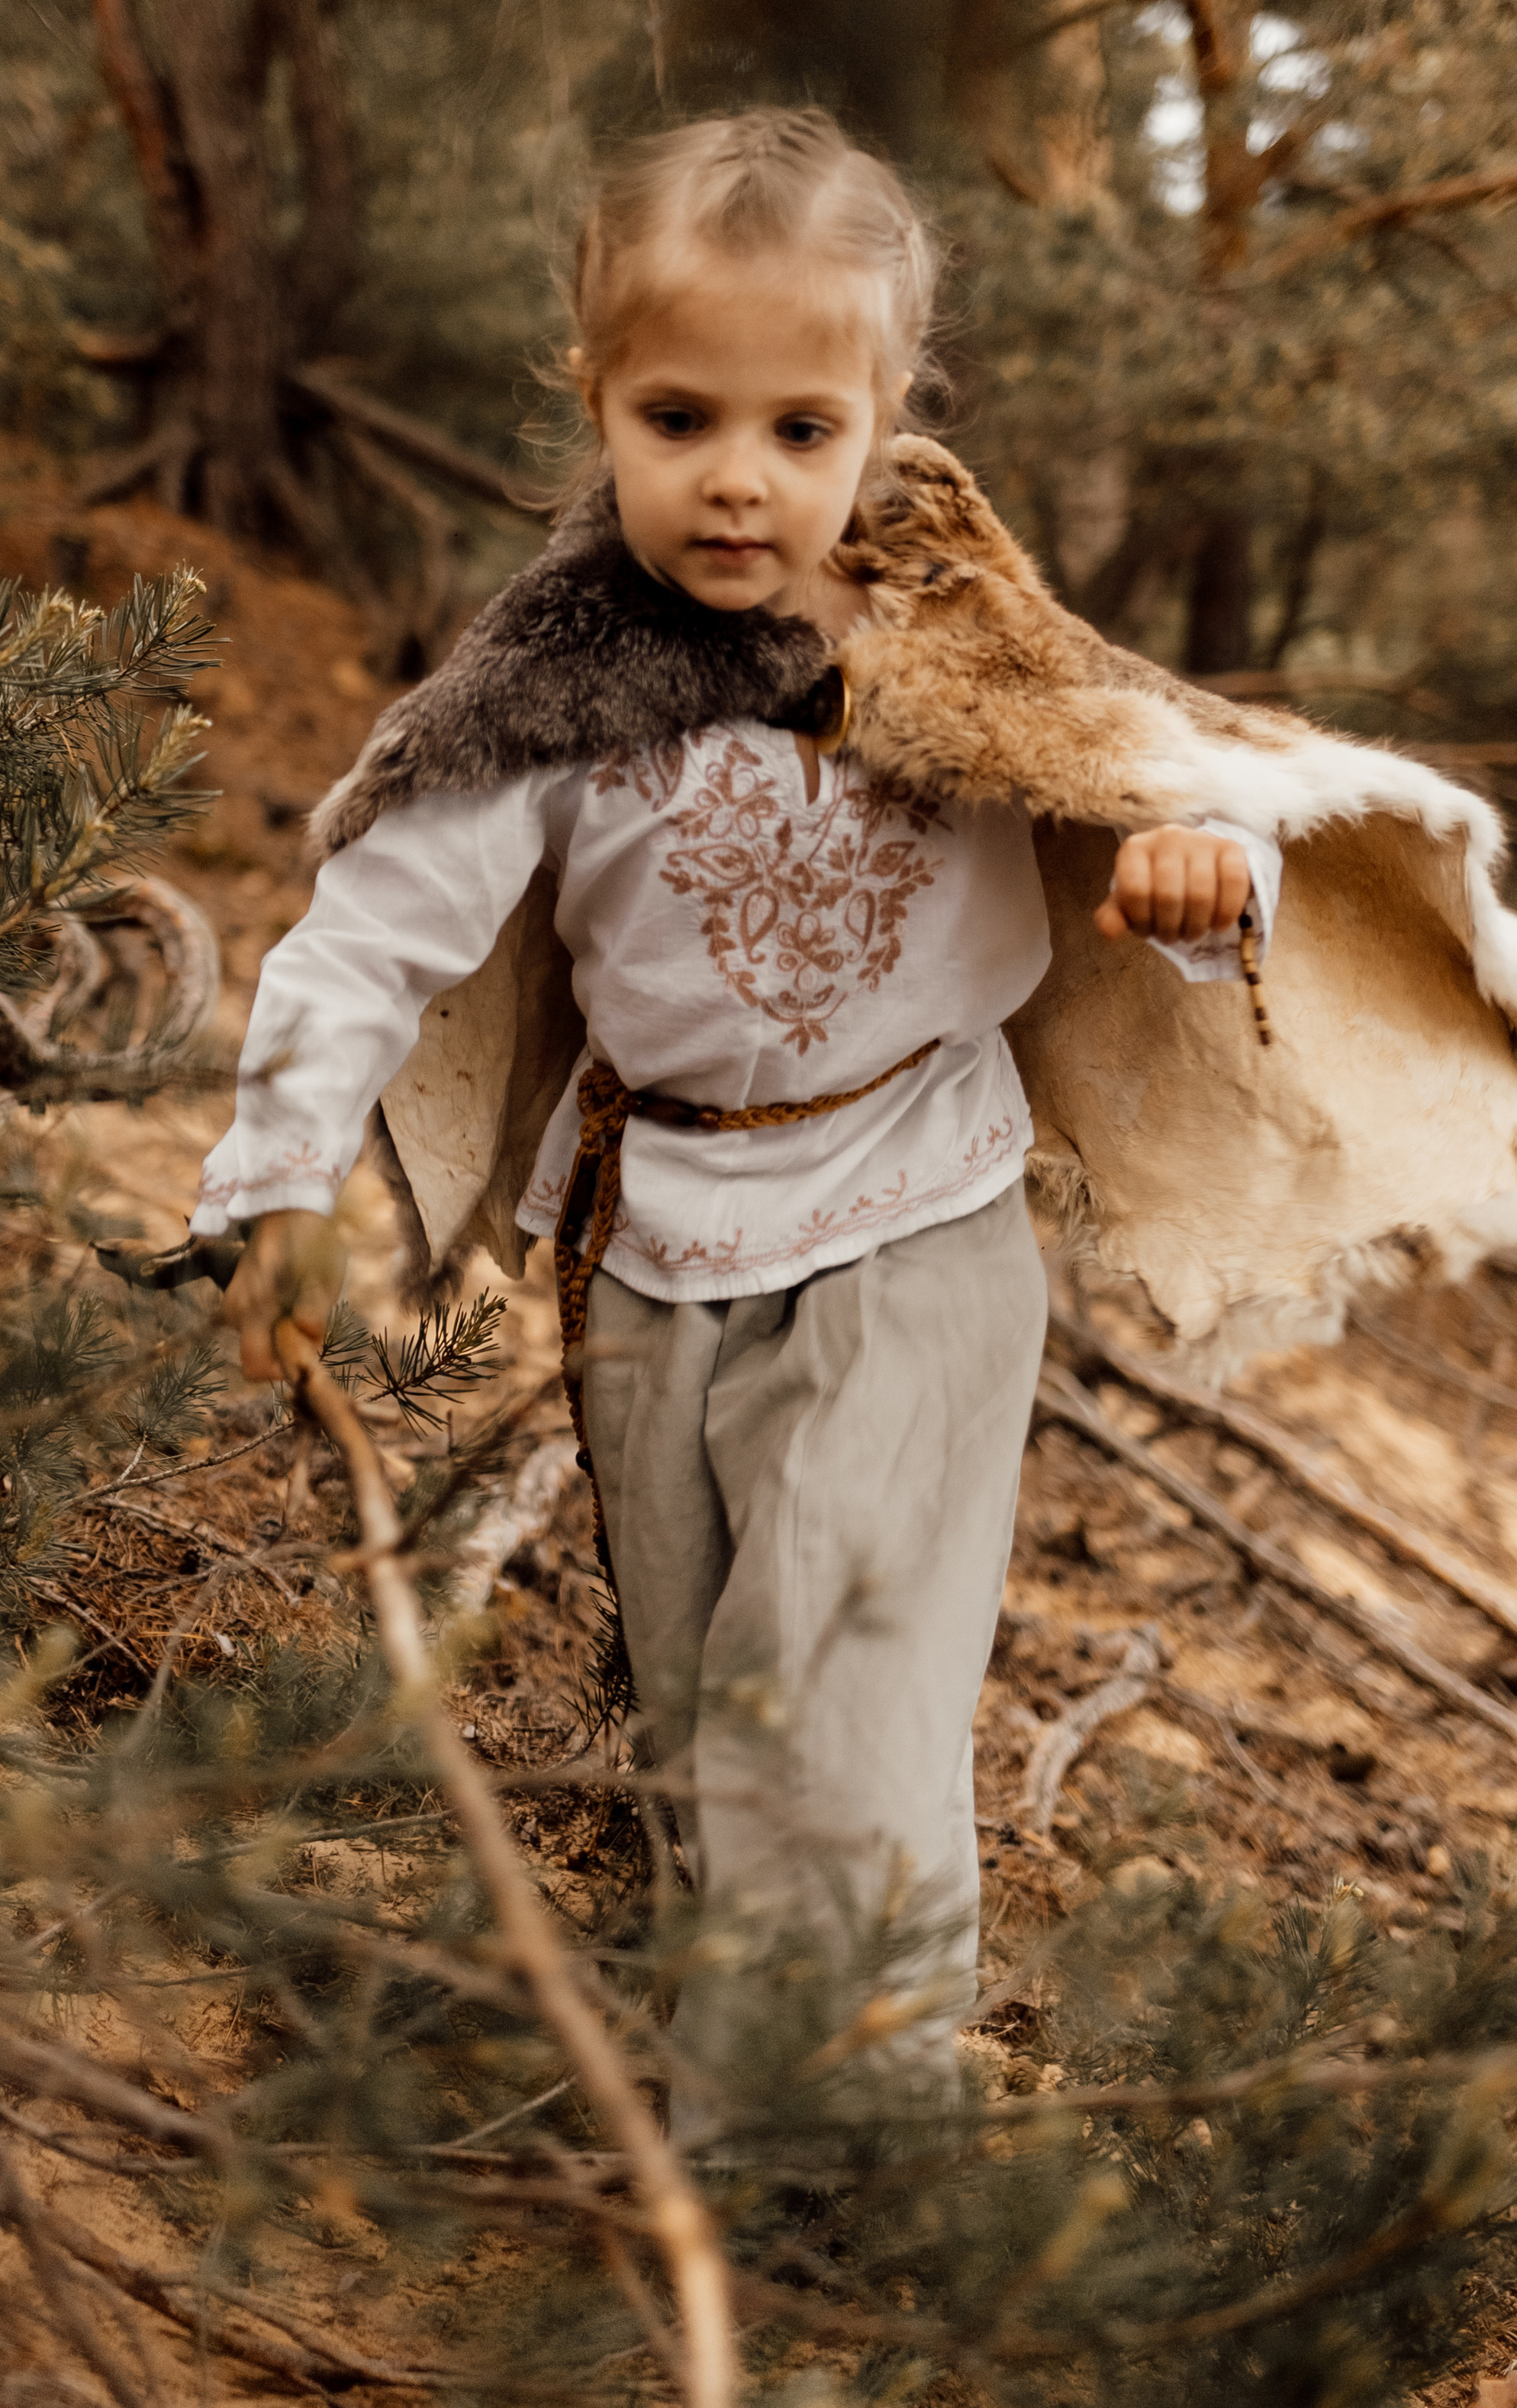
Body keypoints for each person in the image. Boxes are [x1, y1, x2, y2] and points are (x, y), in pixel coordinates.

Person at [192, 108, 1280, 2134]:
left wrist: (1197, 871)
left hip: (919, 1208)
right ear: (593, 397)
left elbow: (1153, 768)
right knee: (703, 1711)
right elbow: (369, 933)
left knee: (838, 1679)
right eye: (681, 414)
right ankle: (734, 2137)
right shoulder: (552, 671)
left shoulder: (950, 617)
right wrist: (271, 1173)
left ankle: (878, 2130)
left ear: (883, 419)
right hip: (656, 1234)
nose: (739, 478)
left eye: (802, 427)